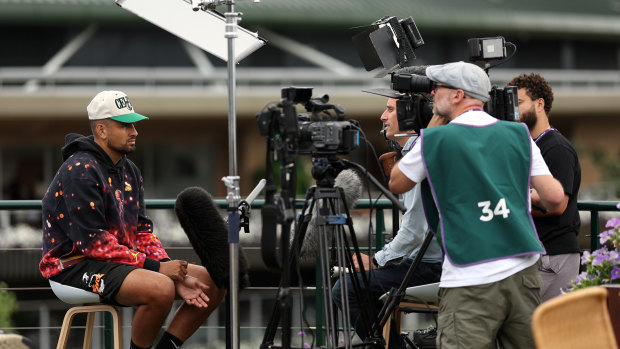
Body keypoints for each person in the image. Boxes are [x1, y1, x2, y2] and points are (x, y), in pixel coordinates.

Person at [389, 62, 565, 349]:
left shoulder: (435, 139)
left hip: (469, 275)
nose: (432, 95)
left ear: (457, 95)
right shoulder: (519, 133)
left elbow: (397, 182)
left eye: (437, 89)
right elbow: (555, 197)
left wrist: (433, 124)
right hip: (523, 270)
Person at [39, 90, 226, 349]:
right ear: (102, 130)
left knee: (214, 282)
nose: (135, 131)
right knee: (161, 288)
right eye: (125, 124)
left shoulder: (130, 170)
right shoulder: (79, 170)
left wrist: (168, 267)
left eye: (134, 124)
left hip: (117, 261)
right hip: (72, 266)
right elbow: (93, 245)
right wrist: (161, 271)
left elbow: (142, 232)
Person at [332, 91, 443, 349]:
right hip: (432, 261)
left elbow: (415, 232)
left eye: (390, 110)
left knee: (345, 289)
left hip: (433, 267)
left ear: (410, 115)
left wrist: (377, 260)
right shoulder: (426, 148)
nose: (383, 117)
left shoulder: (419, 155)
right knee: (362, 285)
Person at [507, 73, 582, 302]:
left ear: (540, 104)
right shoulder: (527, 145)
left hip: (553, 255)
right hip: (537, 254)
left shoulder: (556, 147)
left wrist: (512, 202)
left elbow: (558, 206)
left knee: (545, 332)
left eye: (518, 103)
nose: (513, 110)